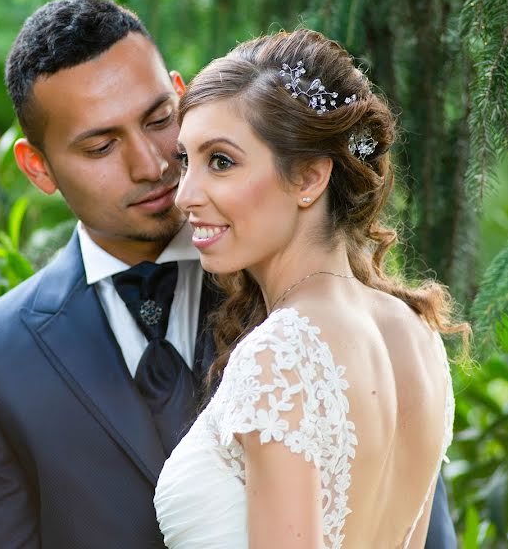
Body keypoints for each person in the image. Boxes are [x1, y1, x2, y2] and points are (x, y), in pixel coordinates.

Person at [0, 0, 456, 548]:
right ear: (38, 168)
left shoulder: (300, 318)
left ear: (183, 97)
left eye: (160, 120)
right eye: (101, 145)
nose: (155, 167)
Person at [154, 28, 470, 548]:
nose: (185, 195)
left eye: (221, 162)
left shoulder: (280, 355)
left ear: (308, 179)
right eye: (186, 161)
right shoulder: (416, 335)